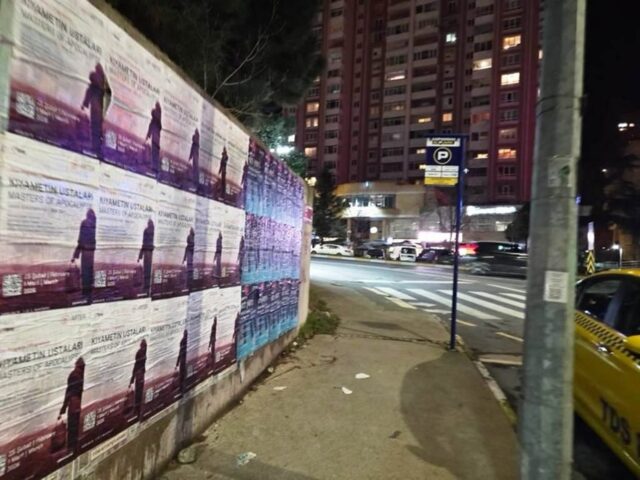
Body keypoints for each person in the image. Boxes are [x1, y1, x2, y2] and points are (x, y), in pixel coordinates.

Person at [81, 63, 109, 158]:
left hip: (96, 108)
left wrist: (84, 104)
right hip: (99, 109)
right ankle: (98, 149)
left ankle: (96, 148)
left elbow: (89, 93)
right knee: (97, 129)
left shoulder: (96, 81)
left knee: (95, 128)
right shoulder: (103, 82)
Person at [59, 357, 85, 453]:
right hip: (75, 403)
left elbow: (69, 391)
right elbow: (69, 391)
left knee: (73, 425)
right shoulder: (76, 375)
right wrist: (64, 407)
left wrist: (64, 407)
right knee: (73, 425)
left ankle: (72, 447)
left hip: (74, 404)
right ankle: (72, 447)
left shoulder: (76, 374)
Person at [71, 209, 97, 301]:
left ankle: (85, 293)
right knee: (89, 271)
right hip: (91, 251)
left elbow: (81, 238)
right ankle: (89, 294)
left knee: (85, 272)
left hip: (85, 250)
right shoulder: (94, 223)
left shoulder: (84, 223)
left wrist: (76, 254)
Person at [129, 339, 147, 419]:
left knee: (139, 392)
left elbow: (137, 365)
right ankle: (138, 410)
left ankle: (137, 410)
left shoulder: (141, 352)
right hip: (140, 374)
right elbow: (137, 365)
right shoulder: (142, 352)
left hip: (140, 374)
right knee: (139, 392)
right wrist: (132, 379)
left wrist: (132, 379)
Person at [137, 219, 155, 292]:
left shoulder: (146, 230)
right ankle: (148, 286)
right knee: (149, 269)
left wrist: (140, 255)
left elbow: (143, 242)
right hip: (151, 252)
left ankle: (146, 287)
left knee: (146, 269)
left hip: (146, 251)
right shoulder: (153, 231)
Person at [146, 102, 162, 174]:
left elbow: (150, 129)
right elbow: (150, 129)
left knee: (154, 152)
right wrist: (148, 135)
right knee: (155, 152)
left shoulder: (155, 120)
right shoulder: (156, 120)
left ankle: (154, 167)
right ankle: (155, 167)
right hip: (156, 139)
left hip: (155, 139)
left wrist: (148, 136)